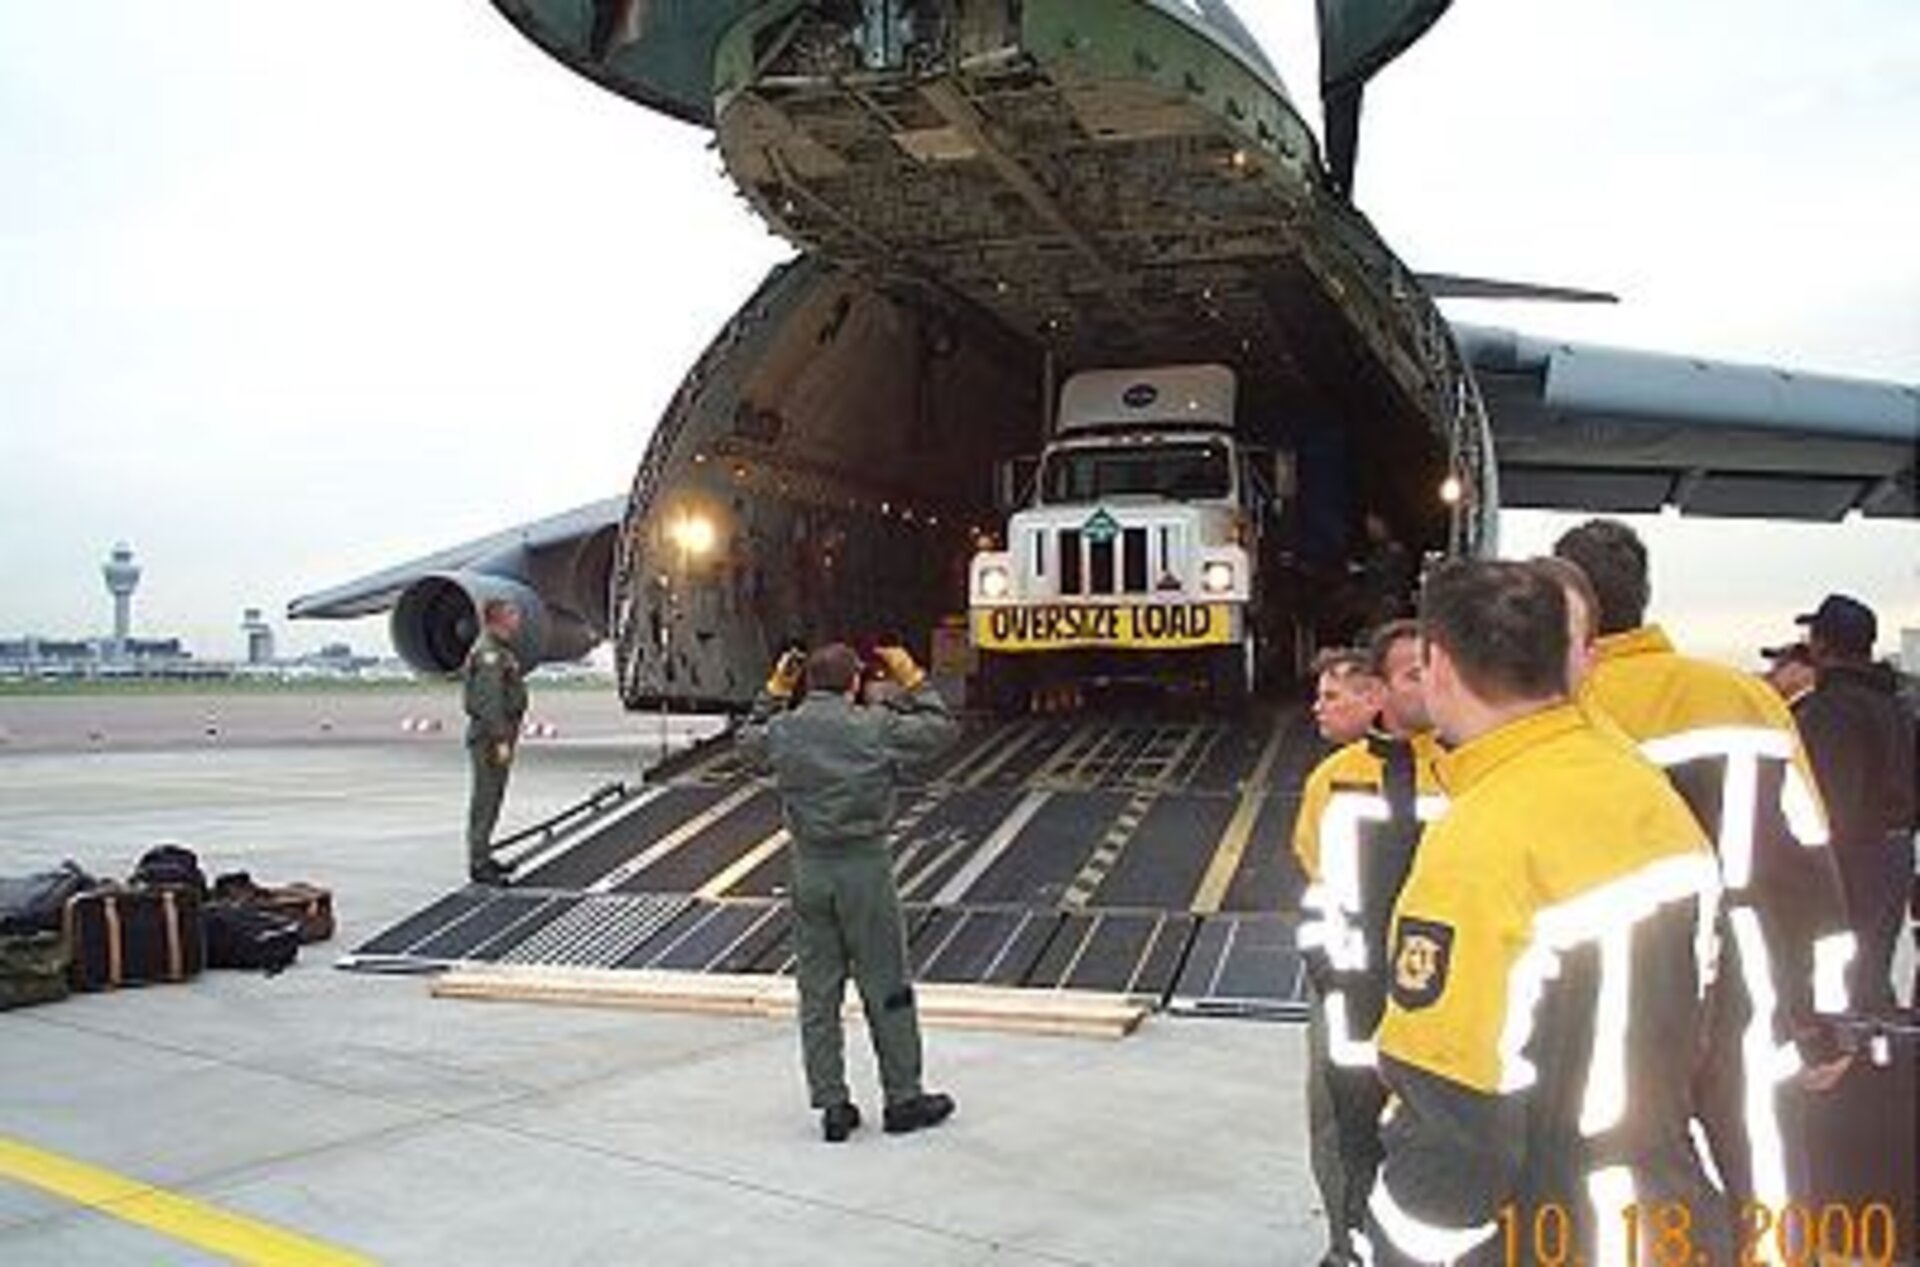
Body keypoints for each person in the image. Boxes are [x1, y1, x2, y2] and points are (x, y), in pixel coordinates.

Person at [1363, 561, 1728, 1266]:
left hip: (1553, 1225)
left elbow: (1451, 1126)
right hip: (1673, 1208)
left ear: (1437, 663)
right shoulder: (1646, 791)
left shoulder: (1477, 846)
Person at [1554, 519, 1853, 1228]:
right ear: (1644, 592)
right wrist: (1822, 1018)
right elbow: (1810, 857)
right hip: (1745, 968)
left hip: (1606, 976)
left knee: (1616, 1172)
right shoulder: (1746, 699)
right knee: (1763, 1160)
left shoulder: (1561, 709)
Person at [738, 641, 960, 1142]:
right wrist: (914, 679)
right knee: (887, 983)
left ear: (806, 682)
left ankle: (833, 1104)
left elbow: (745, 741)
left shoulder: (785, 729)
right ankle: (903, 1097)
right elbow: (942, 730)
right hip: (864, 867)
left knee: (818, 992)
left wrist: (774, 692)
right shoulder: (873, 726)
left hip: (808, 868)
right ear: (854, 682)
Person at [1293, 621, 1443, 1266]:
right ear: (1382, 689)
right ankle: (1346, 1244)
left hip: (1442, 999)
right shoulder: (1334, 779)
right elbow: (1313, 876)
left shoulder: (1471, 770)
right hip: (1349, 996)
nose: (1430, 685)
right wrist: (1329, 970)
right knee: (1341, 1129)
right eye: (1412, 674)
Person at [1296, 643, 1385, 1260]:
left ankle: (1346, 1243)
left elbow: (1313, 861)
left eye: (1333, 695)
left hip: (1348, 982)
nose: (1317, 708)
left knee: (1339, 1120)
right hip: (1356, 973)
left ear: (1372, 697)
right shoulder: (1330, 776)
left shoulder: (1334, 781)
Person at [1791, 593, 1918, 1015]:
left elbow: (1829, 801)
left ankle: (1852, 1061)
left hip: (1852, 857)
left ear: (1823, 644)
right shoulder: (1897, 706)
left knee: (1840, 979)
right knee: (1871, 970)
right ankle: (1879, 1054)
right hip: (1896, 853)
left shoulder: (1832, 710)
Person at [462, 599, 528, 885]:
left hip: (497, 735)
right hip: (491, 738)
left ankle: (484, 856)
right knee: (486, 799)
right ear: (499, 618)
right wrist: (501, 740)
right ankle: (479, 864)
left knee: (493, 797)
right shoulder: (489, 654)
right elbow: (490, 703)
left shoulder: (499, 650)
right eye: (514, 614)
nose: (518, 620)